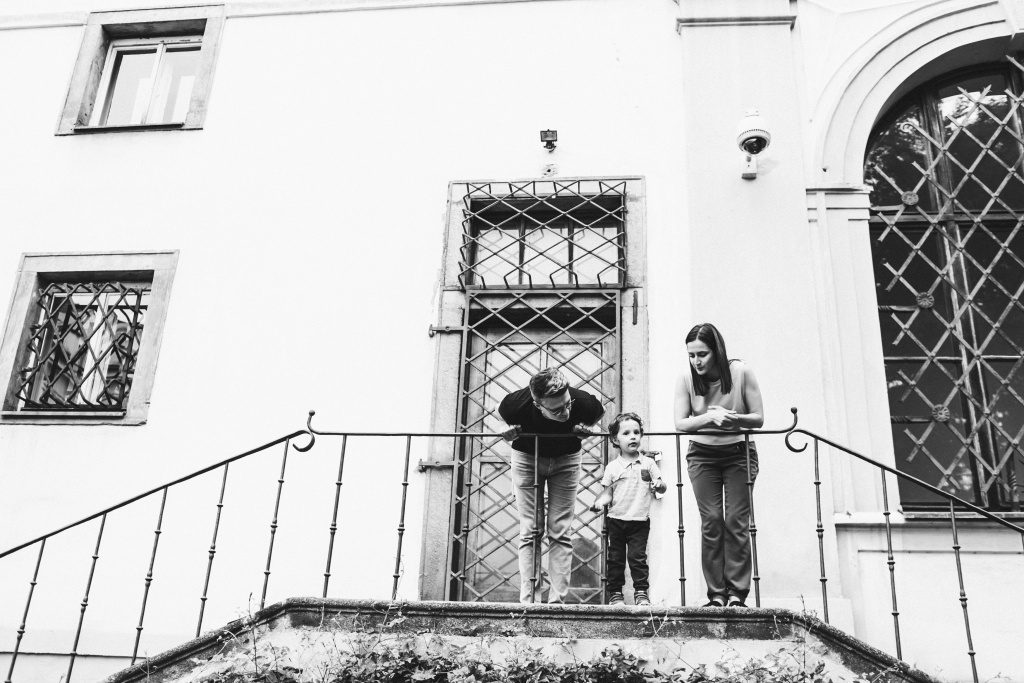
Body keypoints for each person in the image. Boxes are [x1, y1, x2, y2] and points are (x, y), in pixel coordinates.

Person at [673, 323, 764, 608]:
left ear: (717, 351)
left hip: (738, 453)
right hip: (702, 456)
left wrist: (731, 417)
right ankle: (716, 595)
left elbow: (758, 418)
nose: (696, 361)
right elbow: (680, 423)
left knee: (736, 521)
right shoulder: (686, 378)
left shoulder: (741, 372)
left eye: (702, 354)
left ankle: (737, 594)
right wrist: (709, 418)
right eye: (691, 355)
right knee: (711, 521)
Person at [499, 368, 605, 603]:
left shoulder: (582, 401)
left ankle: (556, 604)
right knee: (531, 530)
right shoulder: (516, 404)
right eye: (557, 410)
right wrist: (505, 431)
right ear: (538, 405)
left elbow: (600, 413)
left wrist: (586, 427)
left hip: (566, 460)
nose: (566, 412)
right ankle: (530, 602)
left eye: (567, 404)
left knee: (560, 530)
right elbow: (500, 414)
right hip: (527, 458)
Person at [590, 412, 666, 606]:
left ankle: (641, 593)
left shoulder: (648, 463)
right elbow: (608, 493)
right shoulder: (612, 467)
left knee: (637, 558)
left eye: (636, 432)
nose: (633, 437)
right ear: (615, 439)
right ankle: (616, 594)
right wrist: (599, 502)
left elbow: (662, 486)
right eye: (626, 433)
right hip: (616, 519)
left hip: (639, 520)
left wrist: (659, 485)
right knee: (616, 559)